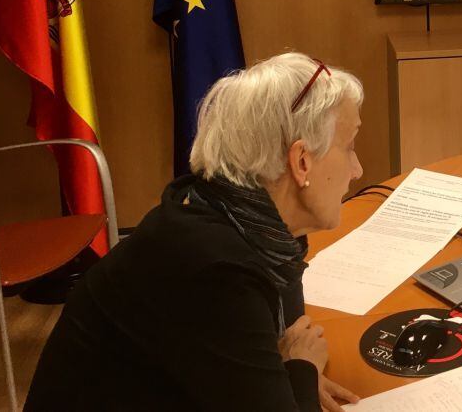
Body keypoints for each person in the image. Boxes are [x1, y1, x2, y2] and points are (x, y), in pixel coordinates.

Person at [26, 53, 365, 412]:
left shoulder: (235, 214)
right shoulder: (217, 269)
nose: (357, 170)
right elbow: (288, 350)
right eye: (349, 147)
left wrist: (287, 373)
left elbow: (284, 337)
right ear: (301, 162)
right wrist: (302, 369)